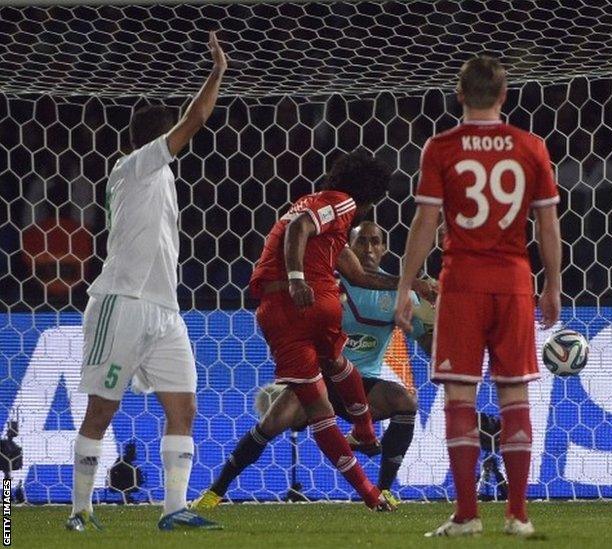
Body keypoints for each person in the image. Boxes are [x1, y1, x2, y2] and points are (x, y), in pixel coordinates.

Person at [211, 149, 436, 512]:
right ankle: (216, 490)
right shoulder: (338, 211)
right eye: (362, 239)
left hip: (358, 379)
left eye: (375, 241)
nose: (367, 246)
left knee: (399, 399)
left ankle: (382, 483)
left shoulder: (394, 289)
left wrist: (419, 291)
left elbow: (364, 280)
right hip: (310, 330)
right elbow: (302, 230)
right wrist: (298, 279)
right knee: (279, 420)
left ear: (384, 247)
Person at [394, 55, 562, 537]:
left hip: (462, 282)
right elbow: (547, 222)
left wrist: (405, 286)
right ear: (505, 95)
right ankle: (519, 516)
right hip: (513, 281)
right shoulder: (531, 146)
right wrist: (552, 285)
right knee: (514, 395)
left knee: (460, 397)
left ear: (460, 94)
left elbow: (426, 222)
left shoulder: (441, 147)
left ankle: (468, 515)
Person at [66, 32, 227, 532]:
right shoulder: (134, 167)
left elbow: (187, 125)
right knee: (101, 412)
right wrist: (217, 71)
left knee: (185, 407)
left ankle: (173, 509)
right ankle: (79, 511)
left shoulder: (162, 178)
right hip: (123, 301)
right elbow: (195, 120)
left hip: (164, 309)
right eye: (172, 137)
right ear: (159, 139)